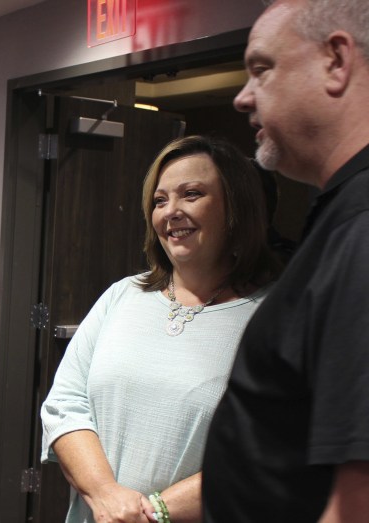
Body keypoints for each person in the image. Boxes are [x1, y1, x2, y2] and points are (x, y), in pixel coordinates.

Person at [40, 135, 279, 523]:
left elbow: (266, 449)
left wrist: (153, 514)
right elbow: (65, 405)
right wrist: (105, 496)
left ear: (236, 206)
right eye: (160, 200)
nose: (172, 212)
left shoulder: (272, 316)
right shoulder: (122, 295)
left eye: (192, 194)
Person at [202, 0, 369, 520]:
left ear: (336, 61)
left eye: (261, 69)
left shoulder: (363, 223)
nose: (242, 97)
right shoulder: (340, 211)